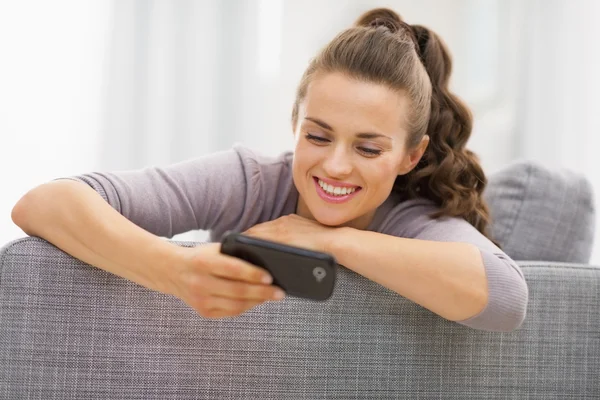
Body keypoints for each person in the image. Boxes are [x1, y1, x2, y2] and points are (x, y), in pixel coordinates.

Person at [11, 8, 527, 332]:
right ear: (295, 122)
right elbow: (44, 203)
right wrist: (174, 269)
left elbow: (506, 295)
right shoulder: (252, 181)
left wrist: (329, 241)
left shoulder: (410, 223)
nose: (336, 164)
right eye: (318, 136)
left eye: (369, 149)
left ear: (409, 157)